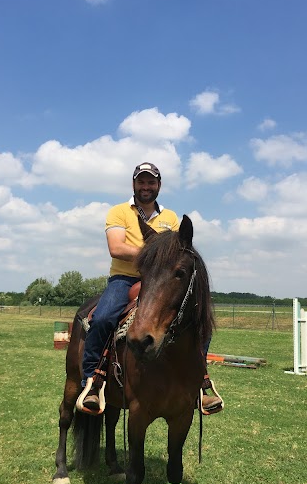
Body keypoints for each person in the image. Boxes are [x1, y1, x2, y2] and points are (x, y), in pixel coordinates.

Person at [77, 162, 223, 415]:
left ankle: (200, 384)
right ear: (134, 184)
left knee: (199, 323)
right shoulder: (119, 212)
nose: (146, 187)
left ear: (158, 186)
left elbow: (177, 252)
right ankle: (92, 382)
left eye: (151, 182)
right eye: (141, 182)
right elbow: (116, 248)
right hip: (124, 278)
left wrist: (163, 263)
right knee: (102, 318)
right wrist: (154, 255)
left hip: (160, 281)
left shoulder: (171, 218)